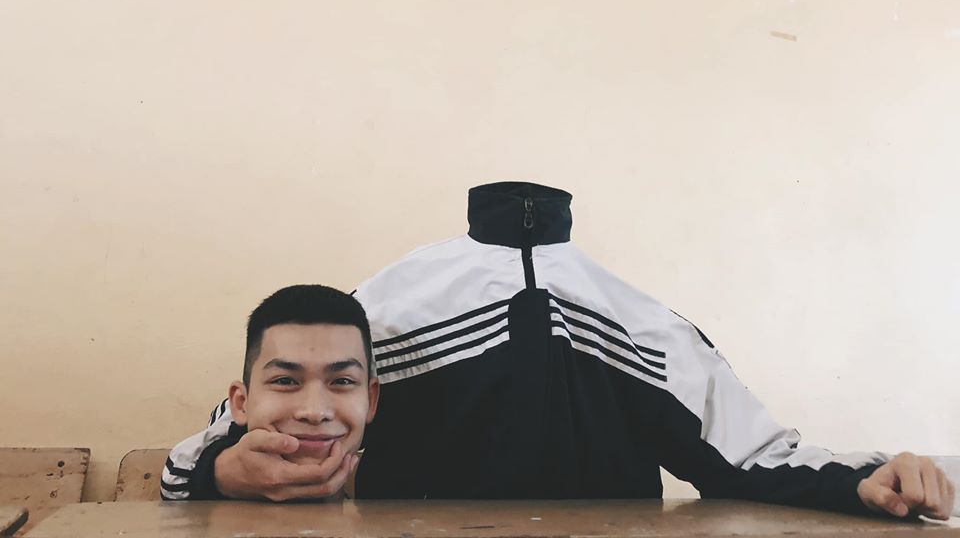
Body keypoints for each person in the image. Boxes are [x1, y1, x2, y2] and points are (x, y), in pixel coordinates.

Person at [163, 182, 954, 518]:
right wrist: (223, 472)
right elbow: (206, 454)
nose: (318, 401)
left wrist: (863, 481)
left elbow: (752, 458)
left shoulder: (642, 326)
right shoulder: (372, 317)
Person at [162, 284, 379, 501]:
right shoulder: (221, 438)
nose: (314, 412)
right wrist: (217, 475)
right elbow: (175, 473)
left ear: (371, 400)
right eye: (285, 381)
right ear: (241, 402)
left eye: (342, 381)